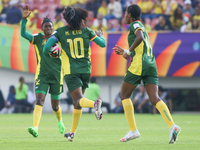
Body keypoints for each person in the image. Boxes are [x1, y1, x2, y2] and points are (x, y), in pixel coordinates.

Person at [113, 4, 180, 143]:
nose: (124, 15)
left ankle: (133, 131)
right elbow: (141, 44)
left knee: (124, 95)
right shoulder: (142, 25)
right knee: (154, 98)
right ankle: (172, 126)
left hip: (140, 64)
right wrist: (126, 51)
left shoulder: (134, 25)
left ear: (130, 15)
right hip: (151, 64)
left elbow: (140, 37)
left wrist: (128, 52)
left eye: (126, 13)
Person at [43, 6, 106, 142]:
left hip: (71, 71)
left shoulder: (60, 32)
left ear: (67, 19)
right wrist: (102, 36)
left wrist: (52, 52)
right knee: (78, 102)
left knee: (78, 100)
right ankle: (72, 132)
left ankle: (95, 104)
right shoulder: (87, 31)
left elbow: (46, 47)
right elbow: (102, 44)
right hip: (85, 70)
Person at [20, 5, 65, 137]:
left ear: (53, 28)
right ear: (42, 28)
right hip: (42, 75)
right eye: (46, 26)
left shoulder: (59, 39)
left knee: (55, 107)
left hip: (57, 76)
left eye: (50, 26)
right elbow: (23, 34)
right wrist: (24, 20)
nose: (49, 28)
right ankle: (35, 128)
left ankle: (59, 121)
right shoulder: (38, 38)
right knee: (39, 100)